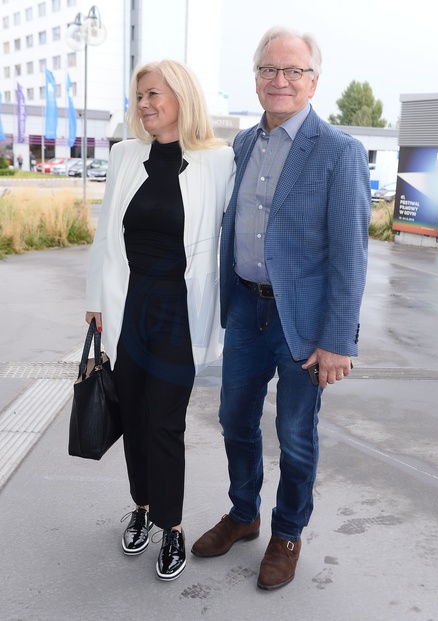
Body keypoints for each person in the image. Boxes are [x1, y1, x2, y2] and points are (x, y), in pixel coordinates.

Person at [191, 26, 371, 590]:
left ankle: (287, 532)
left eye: (294, 70)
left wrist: (338, 341)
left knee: (295, 435)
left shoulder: (339, 151)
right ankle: (244, 513)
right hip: (247, 310)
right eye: (269, 69)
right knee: (234, 421)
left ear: (313, 81)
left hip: (306, 326)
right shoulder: (242, 145)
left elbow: (351, 255)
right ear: (256, 79)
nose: (280, 80)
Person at [85, 59, 235, 581]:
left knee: (165, 422)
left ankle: (171, 526)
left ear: (182, 97)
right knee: (133, 416)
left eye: (153, 93)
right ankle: (142, 507)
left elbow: (232, 236)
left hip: (180, 312)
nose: (144, 104)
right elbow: (106, 236)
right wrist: (96, 301)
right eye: (139, 95)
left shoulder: (218, 160)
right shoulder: (124, 154)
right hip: (129, 308)